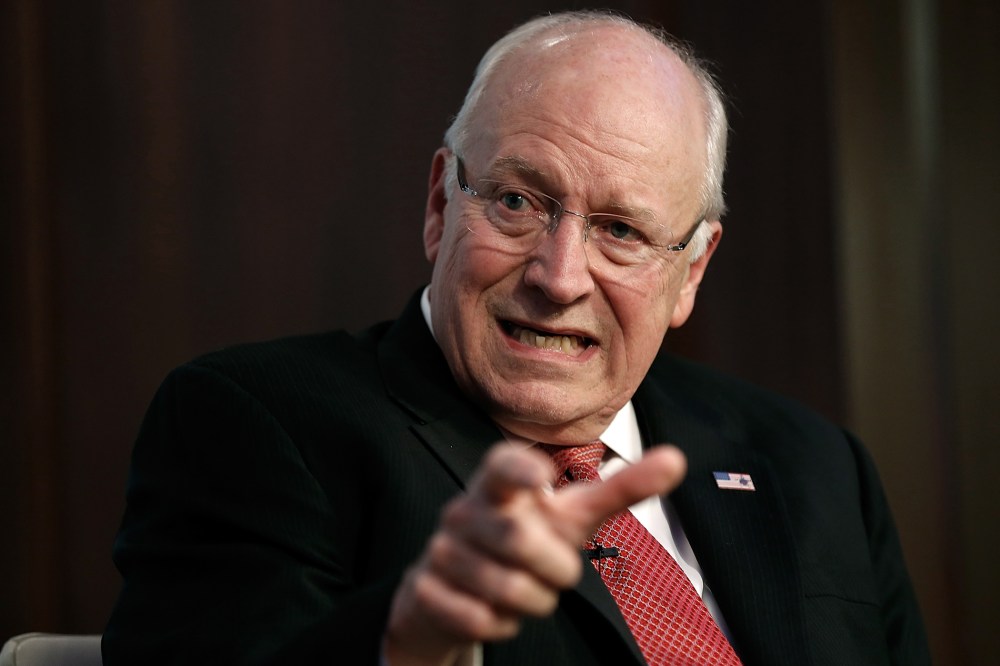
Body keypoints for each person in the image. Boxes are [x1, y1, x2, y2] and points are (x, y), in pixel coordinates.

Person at [103, 10, 930, 666]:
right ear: (440, 205)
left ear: (692, 272)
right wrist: (405, 646)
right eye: (517, 202)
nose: (559, 276)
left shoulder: (815, 465)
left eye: (621, 231)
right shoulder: (258, 425)